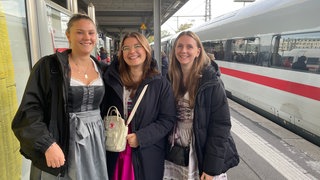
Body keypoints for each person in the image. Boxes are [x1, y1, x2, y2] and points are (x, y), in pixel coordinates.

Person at [11, 13, 108, 179]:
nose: (87, 37)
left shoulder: (103, 69)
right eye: (80, 32)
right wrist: (47, 144)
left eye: (91, 33)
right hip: (62, 139)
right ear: (68, 35)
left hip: (96, 143)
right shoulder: (49, 67)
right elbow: (30, 110)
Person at [164, 31, 239, 180]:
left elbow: (221, 126)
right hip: (175, 152)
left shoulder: (211, 83)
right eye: (179, 46)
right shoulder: (169, 79)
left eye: (189, 47)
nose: (183, 51)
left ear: (198, 51)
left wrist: (211, 168)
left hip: (200, 152)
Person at [100, 32, 176, 180]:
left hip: (146, 151)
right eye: (126, 48)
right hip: (114, 147)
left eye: (137, 46)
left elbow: (167, 119)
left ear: (146, 50)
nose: (132, 51)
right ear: (121, 53)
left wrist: (141, 137)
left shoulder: (160, 84)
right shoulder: (110, 80)